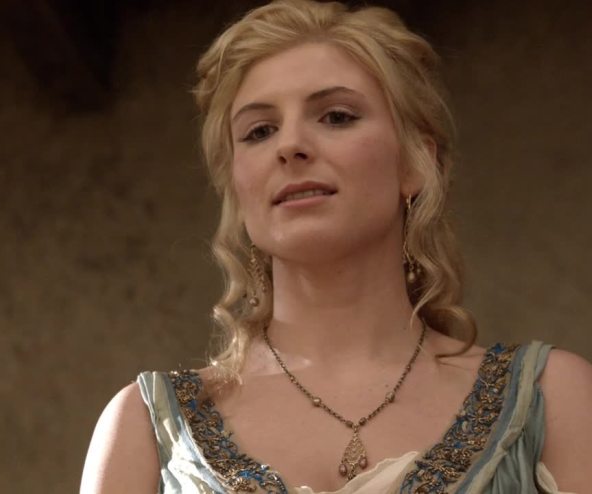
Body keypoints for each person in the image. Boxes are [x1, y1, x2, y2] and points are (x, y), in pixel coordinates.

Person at [80, 1, 591, 492]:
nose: (289, 146)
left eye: (337, 116)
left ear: (416, 163)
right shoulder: (146, 432)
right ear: (237, 184)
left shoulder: (552, 401)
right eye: (259, 131)